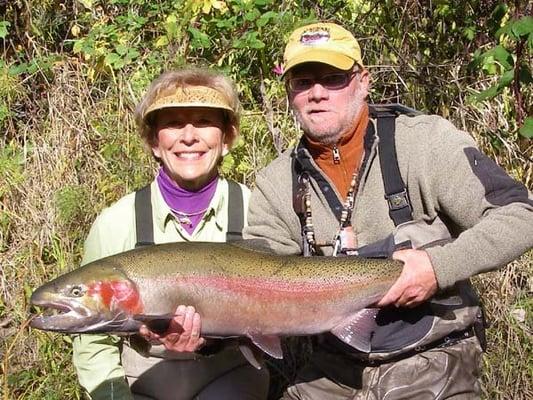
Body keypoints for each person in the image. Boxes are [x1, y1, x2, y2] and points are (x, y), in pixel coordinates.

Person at [241, 22, 533, 399]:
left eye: (333, 78)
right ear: (289, 93)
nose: (317, 94)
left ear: (363, 82)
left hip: (432, 361)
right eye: (303, 82)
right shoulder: (276, 182)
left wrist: (436, 268)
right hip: (333, 370)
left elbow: (521, 214)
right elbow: (253, 285)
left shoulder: (424, 143)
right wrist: (201, 334)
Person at [71, 68, 269, 400]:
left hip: (231, 373)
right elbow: (93, 342)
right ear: (153, 141)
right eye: (173, 123)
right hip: (144, 378)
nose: (189, 136)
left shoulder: (257, 210)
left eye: (205, 121)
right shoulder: (115, 223)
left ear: (227, 137)